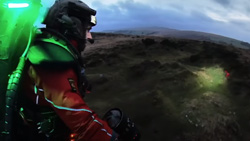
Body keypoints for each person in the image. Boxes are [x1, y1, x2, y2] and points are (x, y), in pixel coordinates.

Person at [1, 0, 140, 140]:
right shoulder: (51, 58)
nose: (90, 37)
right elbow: (77, 116)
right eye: (87, 30)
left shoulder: (47, 49)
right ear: (74, 26)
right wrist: (111, 138)